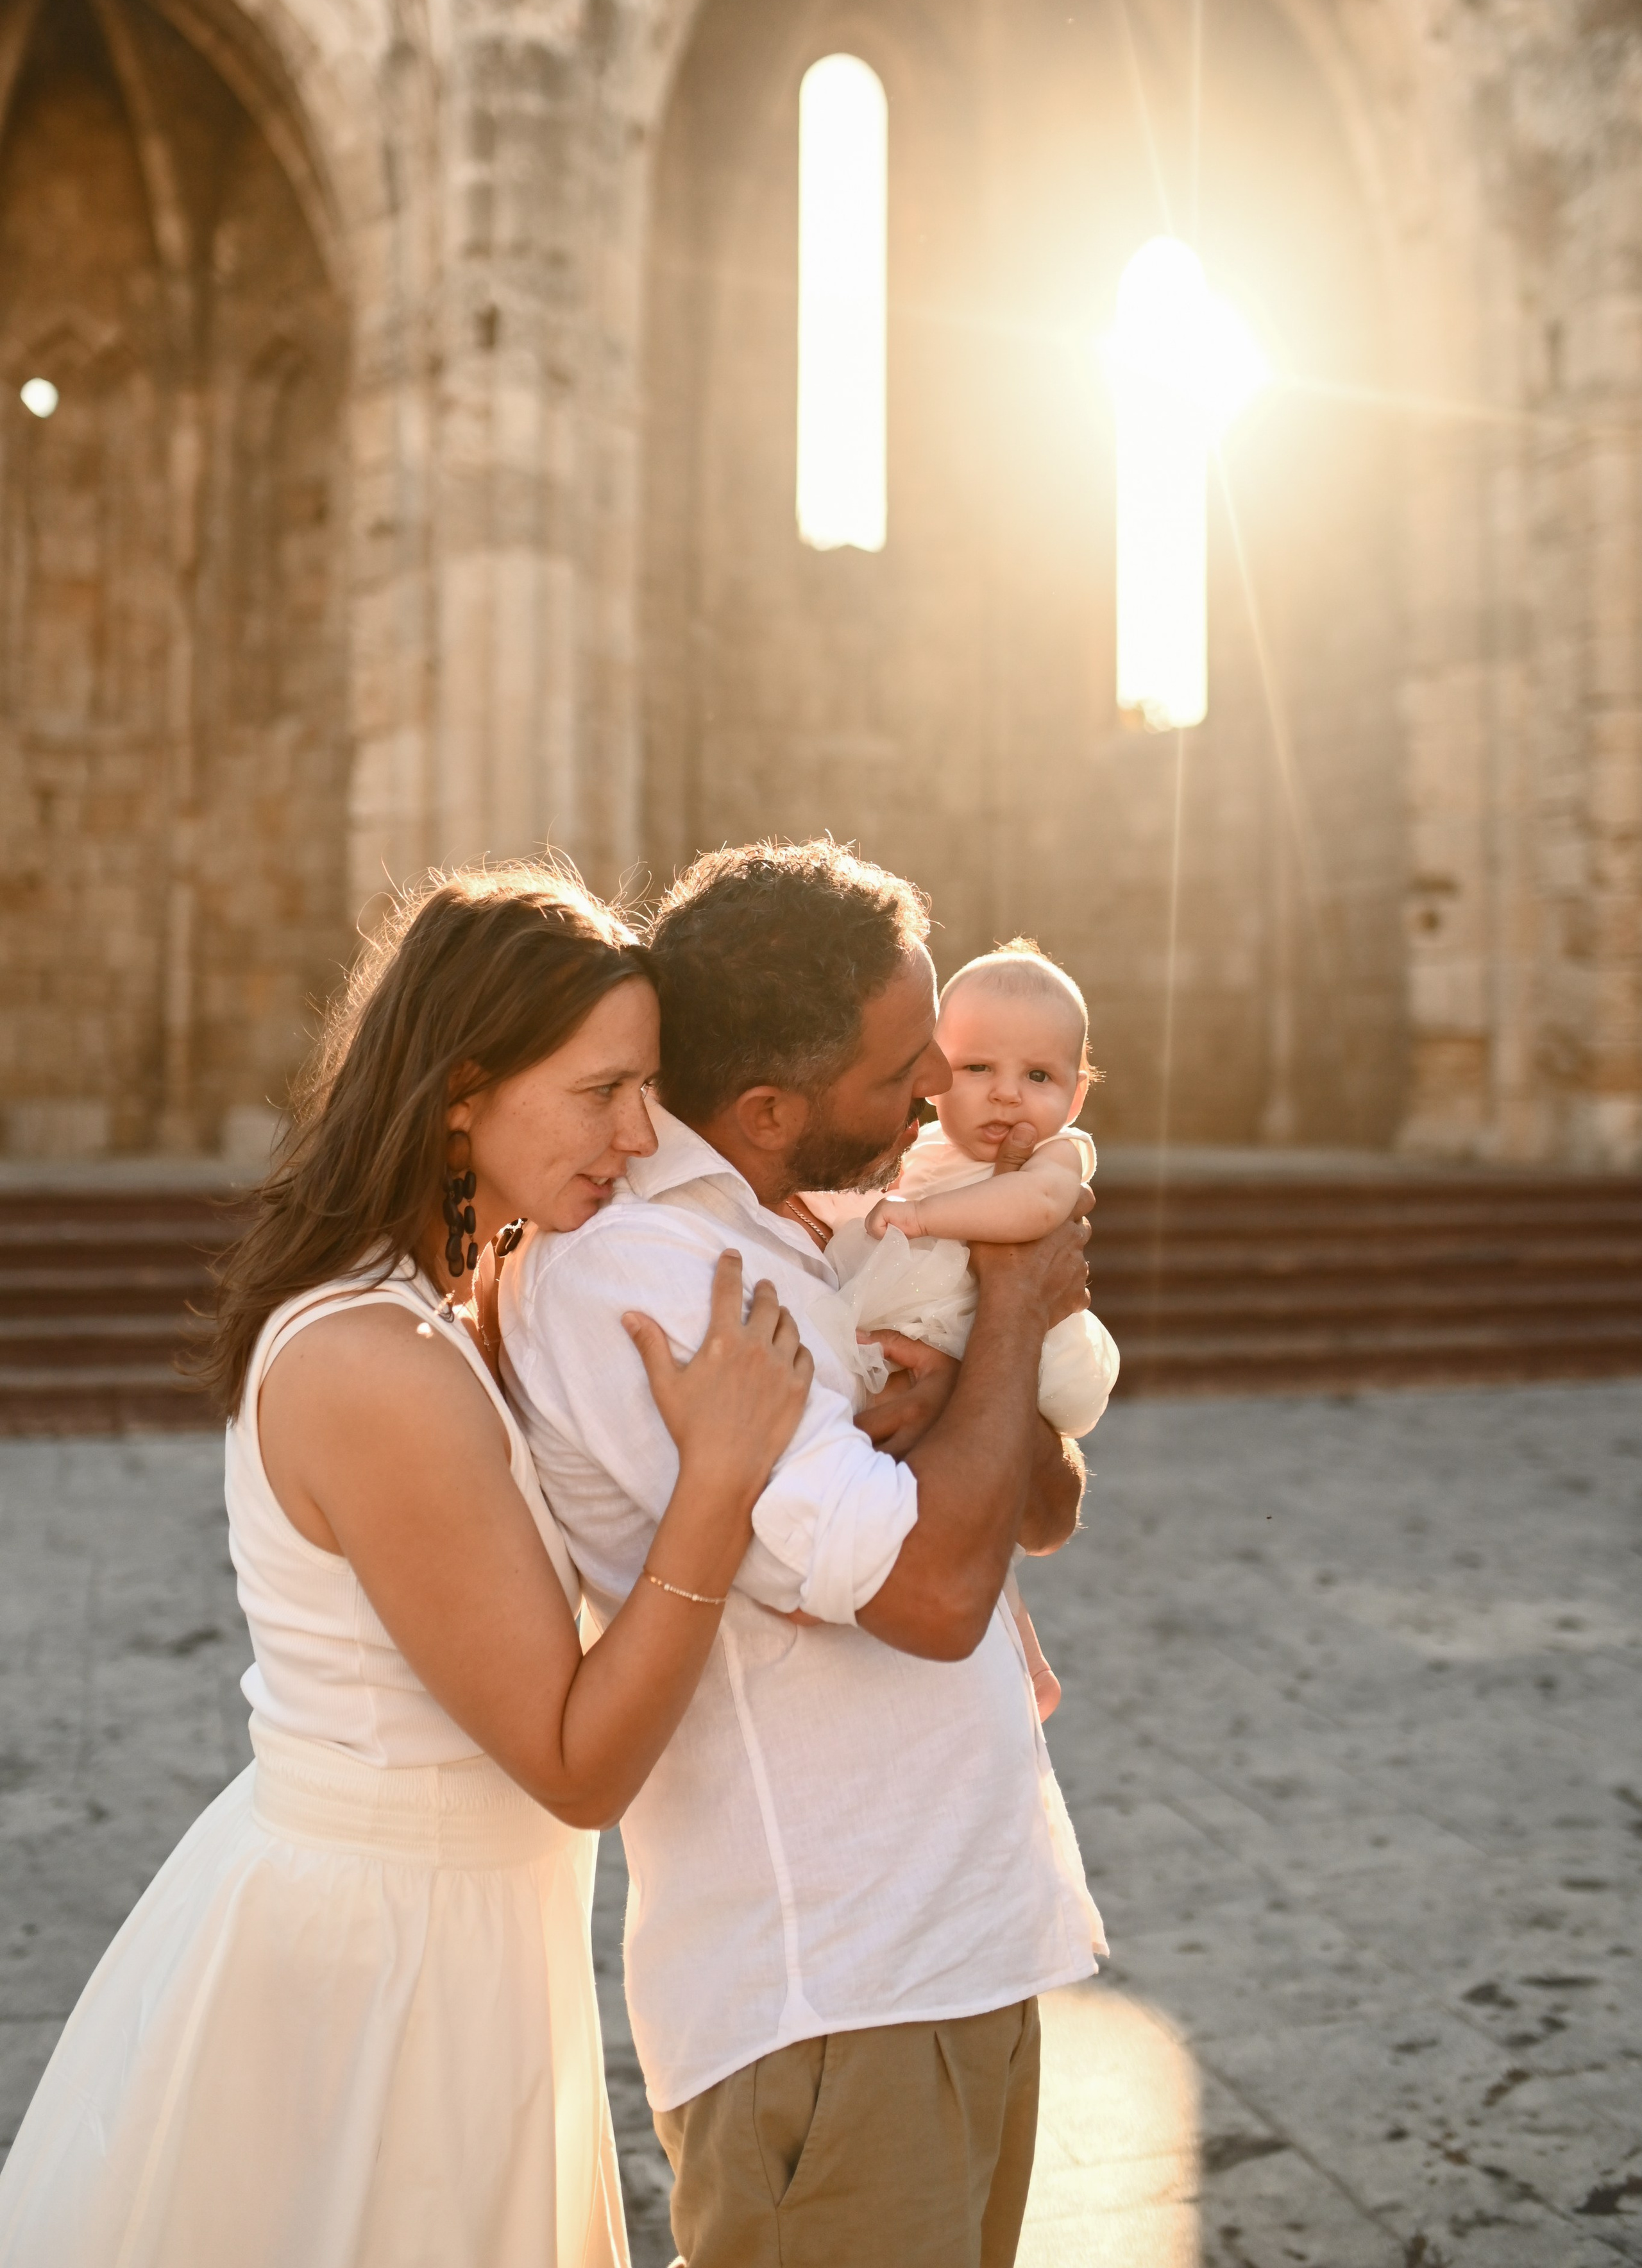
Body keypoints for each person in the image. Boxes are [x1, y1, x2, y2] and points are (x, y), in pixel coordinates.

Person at [0, 864, 813, 2268]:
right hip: (381, 1965)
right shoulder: (374, 1361)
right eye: (601, 1091)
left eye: (651, 1089)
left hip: (477, 1928)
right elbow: (573, 1762)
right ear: (459, 1091)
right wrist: (721, 1481)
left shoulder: (466, 1300)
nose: (640, 1134)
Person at [502, 839, 1106, 2268]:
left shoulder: (815, 1229)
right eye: (906, 1063)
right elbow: (938, 1593)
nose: (940, 1090)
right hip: (830, 1999)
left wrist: (975, 1375)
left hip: (962, 1946)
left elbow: (1038, 1508)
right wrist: (1014, 1291)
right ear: (769, 1105)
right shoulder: (653, 1277)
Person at [813, 937, 1121, 1723]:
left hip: (1039, 1356)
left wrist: (922, 1216)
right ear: (934, 1068)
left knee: (968, 1465)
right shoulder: (918, 1151)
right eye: (979, 1068)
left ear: (1076, 1096)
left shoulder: (1055, 1156)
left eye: (1039, 1076)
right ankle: (1027, 1659)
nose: (1008, 1097)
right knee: (953, 1493)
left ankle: (1015, 1647)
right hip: (946, 1328)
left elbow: (1034, 1213)